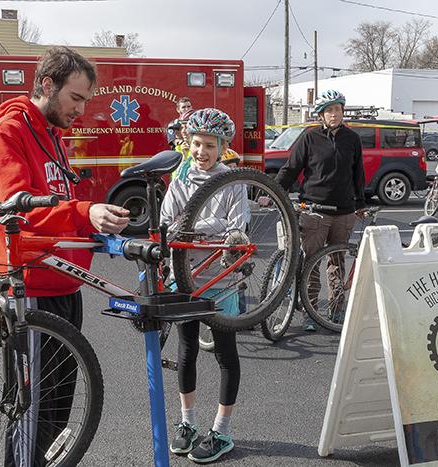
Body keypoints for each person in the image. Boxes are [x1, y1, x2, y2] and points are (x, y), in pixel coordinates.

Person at [0, 46, 130, 466]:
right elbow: (18, 206)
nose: (81, 109)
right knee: (31, 411)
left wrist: (91, 223)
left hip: (65, 285)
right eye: (76, 98)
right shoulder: (8, 134)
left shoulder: (52, 134)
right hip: (30, 290)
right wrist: (84, 211)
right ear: (47, 84)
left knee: (58, 407)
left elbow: (56, 204)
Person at [160, 108, 246, 464]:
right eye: (196, 144)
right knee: (186, 350)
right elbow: (168, 221)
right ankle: (187, 423)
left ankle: (222, 431)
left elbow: (237, 227)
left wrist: (194, 226)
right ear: (188, 143)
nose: (201, 152)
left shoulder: (234, 180)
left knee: (226, 355)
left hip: (221, 280)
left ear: (223, 147)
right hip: (185, 276)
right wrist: (208, 226)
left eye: (210, 145)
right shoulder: (181, 177)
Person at [274, 89, 366, 332]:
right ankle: (309, 311)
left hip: (344, 211)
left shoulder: (352, 139)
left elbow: (358, 174)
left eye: (338, 109)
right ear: (321, 115)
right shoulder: (310, 138)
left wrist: (361, 204)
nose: (334, 114)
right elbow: (291, 168)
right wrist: (271, 191)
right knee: (311, 263)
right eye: (329, 110)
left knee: (337, 263)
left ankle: (336, 310)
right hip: (314, 210)